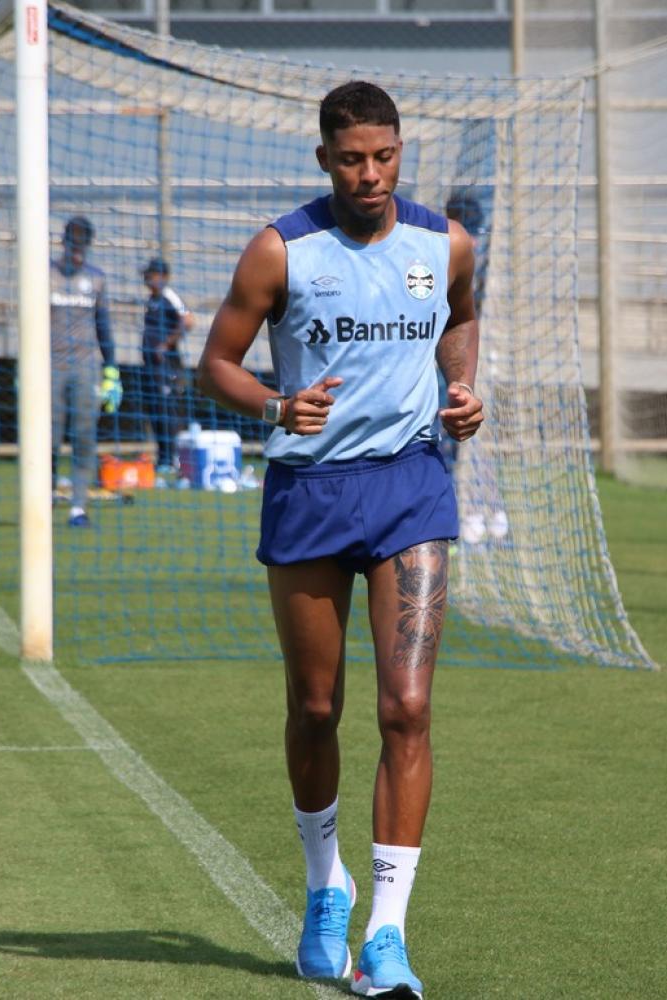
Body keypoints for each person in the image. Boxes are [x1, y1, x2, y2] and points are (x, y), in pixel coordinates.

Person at [197, 80, 483, 999]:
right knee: (315, 709)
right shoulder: (283, 250)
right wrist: (278, 405)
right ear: (324, 158)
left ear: (403, 152)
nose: (371, 174)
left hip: (410, 487)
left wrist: (462, 388)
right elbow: (215, 364)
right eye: (353, 158)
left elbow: (463, 315)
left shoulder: (444, 244)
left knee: (407, 708)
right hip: (312, 494)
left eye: (385, 156)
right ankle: (327, 890)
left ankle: (389, 934)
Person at [50, 215, 120, 528]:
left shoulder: (96, 279)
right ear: (63, 242)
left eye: (83, 244)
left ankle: (78, 506)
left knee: (84, 437)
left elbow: (103, 327)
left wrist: (111, 370)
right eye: (73, 243)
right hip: (48, 365)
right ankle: (46, 490)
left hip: (84, 367)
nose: (77, 250)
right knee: (48, 437)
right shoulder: (45, 275)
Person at [139, 257, 195, 472]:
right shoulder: (151, 299)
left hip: (167, 367)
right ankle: (162, 458)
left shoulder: (168, 296)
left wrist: (166, 344)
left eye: (150, 275)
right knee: (154, 410)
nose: (146, 279)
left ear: (162, 277)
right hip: (151, 367)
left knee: (167, 410)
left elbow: (188, 320)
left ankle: (172, 458)